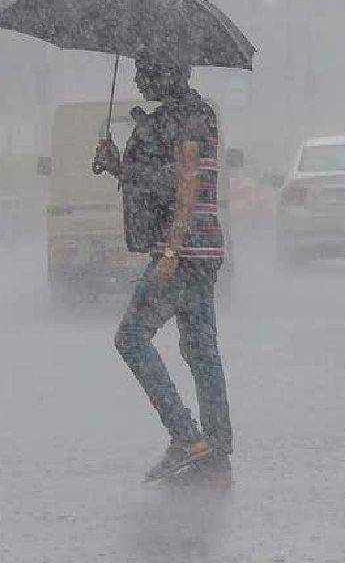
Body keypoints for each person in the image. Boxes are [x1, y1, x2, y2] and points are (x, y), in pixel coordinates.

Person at [92, 58, 232, 483]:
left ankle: (186, 436)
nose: (136, 77)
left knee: (131, 338)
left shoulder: (187, 116)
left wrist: (171, 251)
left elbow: (187, 180)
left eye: (144, 69)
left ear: (165, 72)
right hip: (204, 248)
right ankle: (217, 444)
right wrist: (117, 165)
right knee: (200, 347)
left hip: (185, 249)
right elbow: (163, 179)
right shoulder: (188, 115)